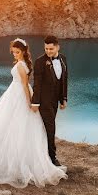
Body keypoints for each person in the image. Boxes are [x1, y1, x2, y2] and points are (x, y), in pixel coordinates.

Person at [0, 38, 68, 188]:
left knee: (19, 124)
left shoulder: (28, 64)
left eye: (17, 52)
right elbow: (33, 82)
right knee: (11, 124)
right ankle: (42, 156)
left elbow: (28, 84)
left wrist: (39, 101)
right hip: (18, 95)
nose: (14, 54)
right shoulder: (32, 62)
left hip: (23, 95)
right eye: (13, 52)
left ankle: (39, 156)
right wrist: (33, 101)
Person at [30, 35, 68, 166]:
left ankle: (43, 154)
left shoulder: (63, 59)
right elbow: (37, 84)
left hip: (55, 101)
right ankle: (52, 157)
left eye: (51, 49)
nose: (48, 51)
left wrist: (64, 98)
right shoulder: (40, 62)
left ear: (57, 47)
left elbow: (64, 80)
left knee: (48, 127)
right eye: (46, 48)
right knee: (50, 128)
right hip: (44, 101)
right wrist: (35, 102)